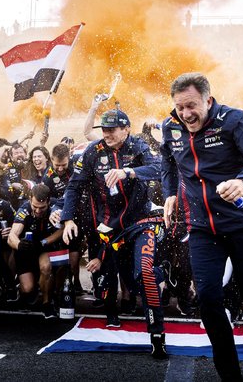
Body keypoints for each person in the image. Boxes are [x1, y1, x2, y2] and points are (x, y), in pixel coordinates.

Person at [160, 72, 243, 380]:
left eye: (191, 106)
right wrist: (170, 194)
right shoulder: (170, 126)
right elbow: (168, 161)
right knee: (208, 298)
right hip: (202, 227)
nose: (186, 114)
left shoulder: (234, 120)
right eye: (179, 107)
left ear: (208, 100)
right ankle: (230, 374)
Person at [60, 108, 167, 359]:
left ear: (126, 129)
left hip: (142, 221)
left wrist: (129, 172)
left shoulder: (138, 146)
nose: (106, 134)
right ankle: (114, 312)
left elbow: (159, 168)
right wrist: (67, 219)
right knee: (110, 281)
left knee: (146, 273)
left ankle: (157, 335)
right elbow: (74, 186)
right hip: (109, 228)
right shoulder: (92, 152)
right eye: (104, 129)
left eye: (112, 129)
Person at [7, 184, 63, 318]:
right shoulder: (24, 209)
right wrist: (20, 245)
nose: (38, 211)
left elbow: (61, 230)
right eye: (35, 207)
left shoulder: (56, 207)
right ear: (30, 199)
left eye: (42, 208)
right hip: (27, 247)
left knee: (46, 267)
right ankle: (18, 288)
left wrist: (44, 242)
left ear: (49, 201)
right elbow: (11, 236)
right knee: (27, 289)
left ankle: (47, 303)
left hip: (45, 245)